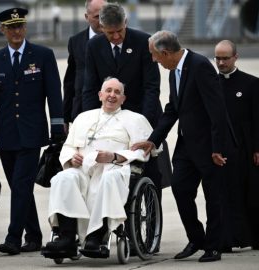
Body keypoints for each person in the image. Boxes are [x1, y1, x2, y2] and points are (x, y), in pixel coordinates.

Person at [132, 30, 229, 262]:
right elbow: (172, 109)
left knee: (213, 197)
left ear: (165, 53)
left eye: (155, 56)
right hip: (186, 146)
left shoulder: (200, 66)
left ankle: (214, 246)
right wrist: (153, 139)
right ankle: (196, 238)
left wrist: (218, 147)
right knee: (180, 189)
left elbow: (217, 110)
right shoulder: (174, 70)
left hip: (208, 146)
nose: (154, 60)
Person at [0, 8, 65, 255]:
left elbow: (54, 92)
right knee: (21, 187)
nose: (16, 31)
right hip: (6, 133)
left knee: (20, 185)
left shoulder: (42, 55)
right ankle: (34, 235)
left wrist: (57, 126)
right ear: (3, 30)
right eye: (11, 28)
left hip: (32, 133)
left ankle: (12, 238)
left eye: (20, 26)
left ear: (25, 28)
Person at [43, 77, 157, 254]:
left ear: (123, 99)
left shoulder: (135, 119)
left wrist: (114, 156)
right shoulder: (83, 117)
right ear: (100, 95)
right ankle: (66, 238)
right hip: (83, 170)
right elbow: (68, 146)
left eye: (117, 92)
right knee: (63, 178)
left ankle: (96, 237)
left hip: (114, 169)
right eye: (109, 91)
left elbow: (143, 151)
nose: (112, 95)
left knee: (108, 179)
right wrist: (72, 158)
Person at [82, 2, 171, 202]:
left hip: (142, 114)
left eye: (120, 31)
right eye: (110, 32)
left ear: (126, 22)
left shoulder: (143, 42)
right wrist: (90, 121)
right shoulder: (94, 46)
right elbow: (89, 88)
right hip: (109, 120)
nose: (116, 37)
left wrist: (144, 124)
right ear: (102, 28)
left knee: (150, 173)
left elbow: (151, 87)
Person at [214, 40, 259, 251]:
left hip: (247, 149)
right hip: (222, 149)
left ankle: (257, 236)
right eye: (217, 58)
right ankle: (229, 239)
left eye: (225, 58)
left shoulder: (251, 83)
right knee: (226, 195)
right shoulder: (211, 83)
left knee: (253, 193)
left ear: (235, 57)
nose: (220, 63)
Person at [63, 0, 106, 132]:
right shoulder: (75, 41)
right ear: (87, 17)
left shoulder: (118, 38)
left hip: (111, 108)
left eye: (105, 15)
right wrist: (64, 117)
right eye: (97, 17)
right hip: (82, 110)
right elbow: (70, 81)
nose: (102, 20)